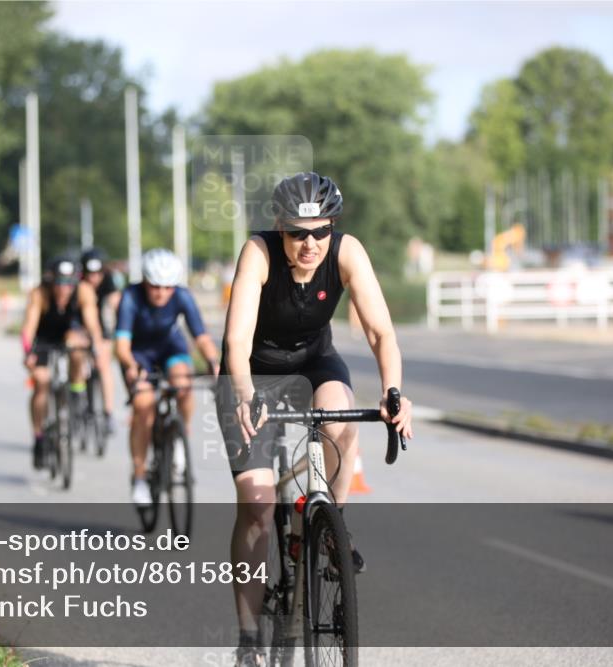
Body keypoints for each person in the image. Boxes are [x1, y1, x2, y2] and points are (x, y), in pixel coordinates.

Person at [217, 172, 414, 665]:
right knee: (257, 504)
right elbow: (236, 340)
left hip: (314, 364)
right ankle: (248, 636)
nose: (310, 244)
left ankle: (329, 526)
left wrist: (393, 392)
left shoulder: (348, 253)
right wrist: (244, 394)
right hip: (252, 373)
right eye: (297, 233)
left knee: (339, 419)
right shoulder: (258, 253)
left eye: (321, 232)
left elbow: (381, 333)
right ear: (279, 227)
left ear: (333, 227)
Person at [115, 248, 219, 506]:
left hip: (170, 348)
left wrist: (214, 363)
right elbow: (121, 345)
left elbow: (201, 337)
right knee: (143, 406)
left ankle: (180, 435)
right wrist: (131, 366)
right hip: (138, 354)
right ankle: (140, 476)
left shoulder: (182, 295)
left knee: (183, 382)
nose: (161, 293)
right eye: (155, 286)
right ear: (145, 282)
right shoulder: (130, 296)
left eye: (167, 287)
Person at [21, 257, 107, 469]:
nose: (63, 288)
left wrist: (96, 347)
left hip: (69, 334)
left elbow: (93, 324)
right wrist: (28, 352)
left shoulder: (84, 291)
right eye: (59, 282)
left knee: (78, 350)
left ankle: (76, 391)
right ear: (51, 281)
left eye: (69, 283)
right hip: (43, 338)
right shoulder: (39, 293)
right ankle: (39, 436)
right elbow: (29, 327)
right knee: (41, 381)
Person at [80, 248, 121, 434]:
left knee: (103, 364)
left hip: (102, 325)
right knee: (80, 361)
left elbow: (115, 306)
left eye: (98, 273)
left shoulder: (109, 281)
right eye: (89, 273)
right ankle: (78, 396)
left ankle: (108, 411)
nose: (94, 278)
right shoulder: (78, 283)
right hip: (81, 326)